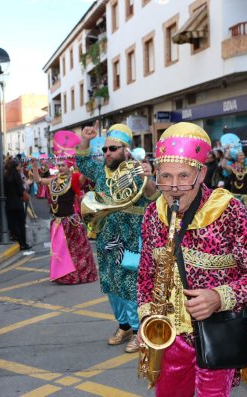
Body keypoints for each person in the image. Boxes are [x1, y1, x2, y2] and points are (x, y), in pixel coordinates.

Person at [137, 122, 247, 396]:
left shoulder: (229, 210)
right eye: (165, 176)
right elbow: (145, 275)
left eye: (183, 175)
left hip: (217, 331)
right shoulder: (153, 214)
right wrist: (145, 319)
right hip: (168, 336)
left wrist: (219, 297)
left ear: (201, 174)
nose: (173, 187)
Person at [76, 121, 158, 353]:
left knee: (131, 285)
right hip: (106, 236)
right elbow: (81, 162)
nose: (107, 153)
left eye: (113, 149)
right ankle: (123, 326)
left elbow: (155, 197)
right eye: (105, 149)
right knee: (110, 284)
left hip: (131, 236)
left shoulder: (138, 169)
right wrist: (85, 140)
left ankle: (138, 330)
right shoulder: (101, 169)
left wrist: (147, 178)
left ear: (126, 150)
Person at [32, 132, 98, 285]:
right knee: (60, 251)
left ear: (69, 167)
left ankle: (79, 275)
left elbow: (84, 175)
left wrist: (85, 155)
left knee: (76, 251)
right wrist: (35, 167)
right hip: (57, 222)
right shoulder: (53, 181)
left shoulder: (74, 180)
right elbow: (38, 180)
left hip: (71, 222)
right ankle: (63, 275)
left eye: (63, 165)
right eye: (59, 165)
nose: (61, 168)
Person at [4, 160, 32, 251]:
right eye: (20, 166)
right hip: (17, 203)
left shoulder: (5, 175)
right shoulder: (16, 175)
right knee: (21, 224)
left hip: (9, 203)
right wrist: (26, 184)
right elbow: (20, 190)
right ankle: (23, 243)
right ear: (16, 167)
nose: (21, 168)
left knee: (14, 224)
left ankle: (19, 241)